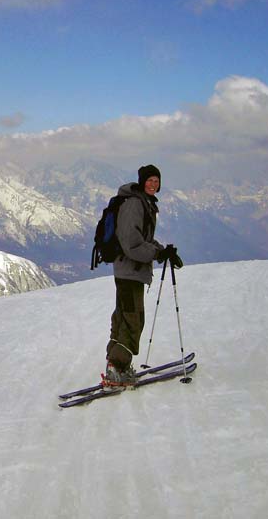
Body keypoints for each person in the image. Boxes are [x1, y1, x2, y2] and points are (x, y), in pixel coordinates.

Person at [103, 164, 182, 387]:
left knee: (123, 318)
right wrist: (156, 252)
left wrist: (163, 251)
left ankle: (116, 365)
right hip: (130, 271)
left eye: (157, 181)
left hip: (130, 271)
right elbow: (132, 244)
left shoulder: (143, 203)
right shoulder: (135, 204)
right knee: (132, 320)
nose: (153, 184)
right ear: (141, 181)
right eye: (150, 180)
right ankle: (116, 369)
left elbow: (142, 240)